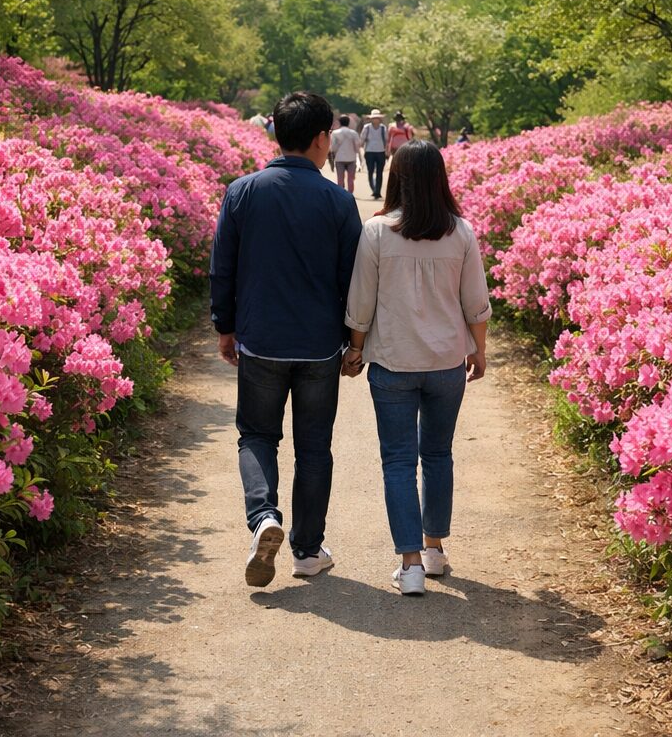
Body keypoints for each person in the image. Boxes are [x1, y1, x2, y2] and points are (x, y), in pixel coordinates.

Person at [210, 92, 363, 588]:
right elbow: (352, 279)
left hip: (260, 339)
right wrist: (352, 340)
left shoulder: (241, 192)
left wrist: (225, 326)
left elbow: (224, 268)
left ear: (276, 132)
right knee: (315, 447)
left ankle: (264, 519)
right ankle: (307, 550)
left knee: (257, 436)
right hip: (319, 344)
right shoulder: (339, 202)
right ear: (322, 139)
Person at [342, 140, 491, 596]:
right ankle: (435, 550)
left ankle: (410, 567)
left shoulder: (378, 232)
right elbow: (476, 304)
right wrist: (478, 351)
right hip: (447, 362)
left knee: (399, 461)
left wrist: (355, 349)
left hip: (393, 362)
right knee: (439, 455)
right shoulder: (461, 231)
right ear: (438, 179)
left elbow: (361, 303)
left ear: (396, 178)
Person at [329, 114, 362, 194]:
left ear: (339, 122)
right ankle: (350, 194)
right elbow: (358, 145)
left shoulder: (335, 133)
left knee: (340, 178)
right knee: (350, 178)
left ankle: (341, 194)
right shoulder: (353, 133)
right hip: (351, 158)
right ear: (348, 122)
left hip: (339, 158)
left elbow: (333, 147)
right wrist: (359, 157)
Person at [360, 109, 388, 199]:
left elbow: (386, 140)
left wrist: (387, 151)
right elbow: (362, 139)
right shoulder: (367, 127)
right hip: (369, 152)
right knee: (370, 171)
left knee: (379, 172)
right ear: (371, 119)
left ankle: (377, 191)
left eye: (377, 118)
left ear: (380, 119)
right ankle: (374, 189)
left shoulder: (383, 128)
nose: (375, 120)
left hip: (380, 151)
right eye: (374, 118)